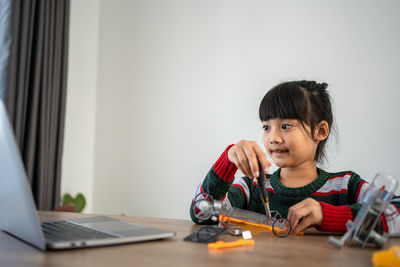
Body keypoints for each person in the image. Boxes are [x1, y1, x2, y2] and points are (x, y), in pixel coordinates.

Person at [190, 80, 400, 235]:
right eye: (266, 127)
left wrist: (326, 215)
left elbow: (395, 214)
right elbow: (202, 212)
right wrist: (227, 161)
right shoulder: (251, 187)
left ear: (320, 131)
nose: (273, 138)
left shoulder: (345, 185)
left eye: (286, 126)